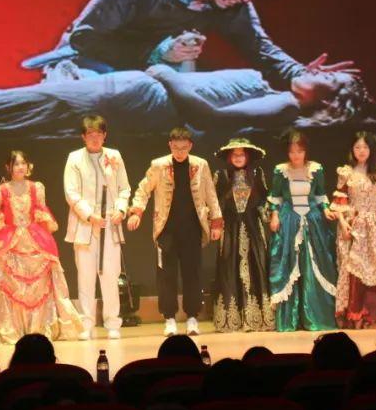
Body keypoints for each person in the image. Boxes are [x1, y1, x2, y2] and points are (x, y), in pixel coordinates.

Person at [20, 0, 355, 92]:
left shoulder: (231, 5)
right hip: (87, 62)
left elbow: (262, 50)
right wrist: (157, 53)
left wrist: (304, 75)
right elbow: (86, 40)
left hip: (148, 71)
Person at [0, 64, 376, 142]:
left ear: (327, 100)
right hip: (129, 90)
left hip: (138, 98)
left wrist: (165, 73)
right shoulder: (277, 86)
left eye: (326, 77)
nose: (315, 70)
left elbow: (209, 117)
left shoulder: (283, 107)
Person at [0, 151, 84, 344]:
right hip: (11, 241)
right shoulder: (0, 191)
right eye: (16, 164)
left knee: (42, 277)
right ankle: (10, 328)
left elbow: (41, 215)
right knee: (6, 277)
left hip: (34, 240)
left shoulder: (36, 188)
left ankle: (38, 327)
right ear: (8, 167)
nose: (20, 167)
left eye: (23, 163)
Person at [128, 126, 223, 336]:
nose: (180, 152)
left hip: (192, 228)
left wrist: (216, 222)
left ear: (190, 146)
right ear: (170, 145)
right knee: (166, 275)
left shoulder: (200, 165)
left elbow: (210, 193)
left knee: (192, 273)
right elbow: (143, 189)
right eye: (176, 147)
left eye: (183, 148)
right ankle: (169, 318)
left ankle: (192, 317)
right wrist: (136, 212)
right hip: (166, 229)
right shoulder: (159, 165)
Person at [63, 114, 131, 340]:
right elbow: (71, 192)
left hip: (110, 223)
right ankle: (87, 324)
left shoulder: (114, 156)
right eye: (90, 134)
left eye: (99, 134)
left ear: (105, 135)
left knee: (110, 275)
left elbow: (124, 188)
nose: (95, 138)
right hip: (85, 225)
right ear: (83, 137)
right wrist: (89, 215)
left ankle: (112, 323)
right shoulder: (74, 158)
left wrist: (121, 209)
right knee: (85, 276)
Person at [268, 129, 338, 332]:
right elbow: (276, 197)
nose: (295, 155)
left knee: (313, 266)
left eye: (299, 151)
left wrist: (326, 210)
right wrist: (274, 216)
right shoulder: (281, 170)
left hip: (312, 221)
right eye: (292, 151)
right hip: (289, 221)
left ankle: (314, 317)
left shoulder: (315, 169)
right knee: (288, 265)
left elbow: (320, 195)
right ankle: (290, 319)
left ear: (305, 151)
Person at [331, 131, 376, 329]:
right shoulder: (347, 173)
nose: (361, 151)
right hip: (356, 226)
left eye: (365, 147)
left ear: (372, 149)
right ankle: (356, 314)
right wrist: (343, 223)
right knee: (357, 268)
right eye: (357, 147)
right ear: (352, 150)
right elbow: (339, 202)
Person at [211, 137, 273, 332]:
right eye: (234, 154)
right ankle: (232, 319)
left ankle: (257, 317)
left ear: (248, 156)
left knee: (256, 266)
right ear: (229, 157)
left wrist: (267, 214)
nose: (238, 158)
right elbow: (213, 203)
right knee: (229, 267)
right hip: (230, 228)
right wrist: (216, 223)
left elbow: (264, 200)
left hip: (253, 227)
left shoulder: (257, 173)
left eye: (242, 154)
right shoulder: (221, 176)